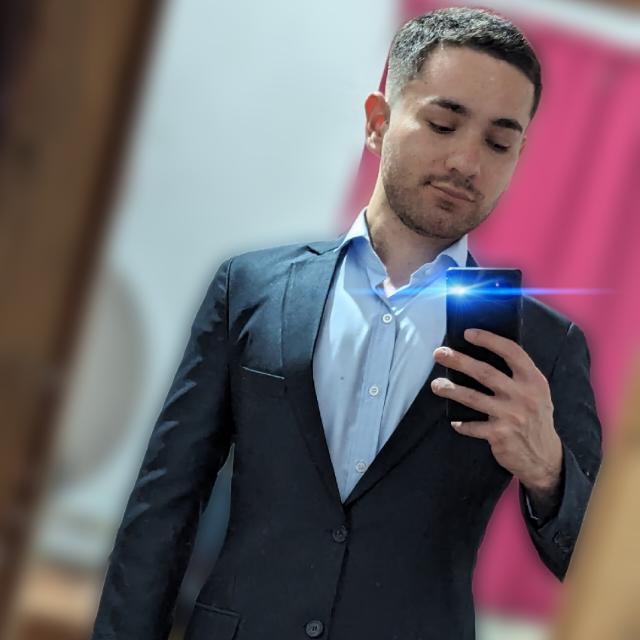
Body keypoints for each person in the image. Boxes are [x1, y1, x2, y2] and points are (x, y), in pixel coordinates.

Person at [91, 7, 602, 640]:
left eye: (498, 143)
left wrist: (549, 471)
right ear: (378, 122)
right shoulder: (252, 289)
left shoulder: (543, 345)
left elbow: (602, 571)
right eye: (444, 124)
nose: (468, 162)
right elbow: (162, 509)